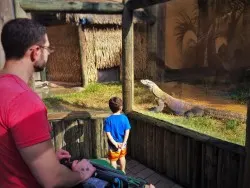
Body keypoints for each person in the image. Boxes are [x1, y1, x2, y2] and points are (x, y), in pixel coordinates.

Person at [0, 18, 95, 188]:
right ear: (35, 52)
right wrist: (81, 173)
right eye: (47, 48)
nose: (49, 53)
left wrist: (48, 160)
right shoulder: (24, 101)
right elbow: (54, 179)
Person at [104, 97, 131, 173]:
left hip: (113, 144)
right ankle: (123, 171)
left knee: (113, 160)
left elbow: (108, 133)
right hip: (123, 143)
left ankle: (115, 174)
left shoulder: (108, 120)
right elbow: (127, 131)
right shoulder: (124, 118)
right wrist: (124, 142)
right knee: (122, 157)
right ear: (121, 107)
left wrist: (115, 143)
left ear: (110, 107)